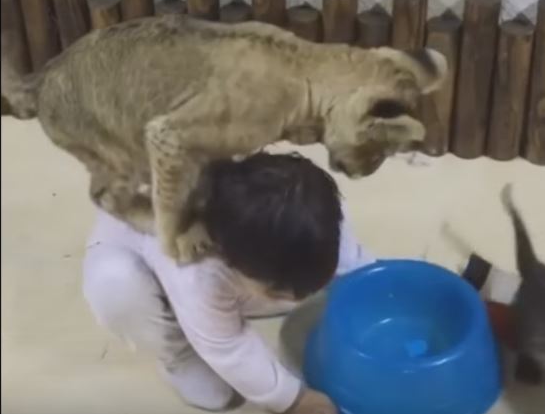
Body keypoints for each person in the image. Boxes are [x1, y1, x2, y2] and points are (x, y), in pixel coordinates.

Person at [82, 152, 374, 413]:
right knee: (116, 286)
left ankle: (268, 293)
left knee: (304, 281)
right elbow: (228, 347)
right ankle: (179, 356)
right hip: (142, 264)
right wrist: (293, 398)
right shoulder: (197, 270)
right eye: (278, 290)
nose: (296, 296)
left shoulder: (315, 218)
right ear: (229, 260)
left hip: (251, 264)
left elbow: (361, 271)